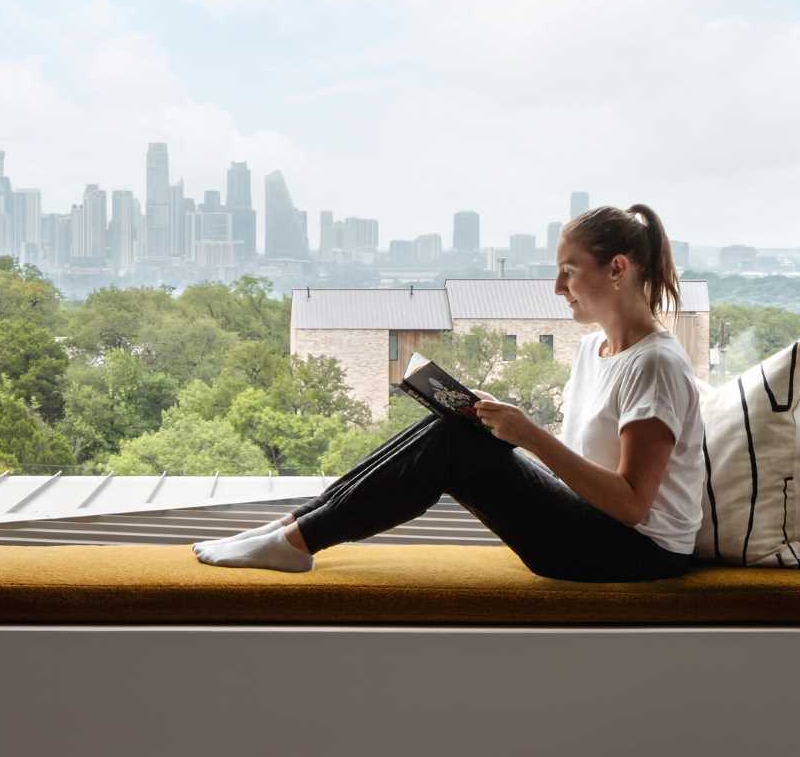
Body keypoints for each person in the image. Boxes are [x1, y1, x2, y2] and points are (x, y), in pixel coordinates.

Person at [192, 202, 706, 582]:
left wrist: (528, 435)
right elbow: (588, 462)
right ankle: (292, 526)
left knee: (454, 446)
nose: (557, 286)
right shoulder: (593, 350)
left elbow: (634, 504)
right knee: (456, 423)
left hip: (637, 554)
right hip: (592, 527)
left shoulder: (655, 364)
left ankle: (295, 541)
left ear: (616, 269)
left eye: (568, 272)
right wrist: (502, 426)